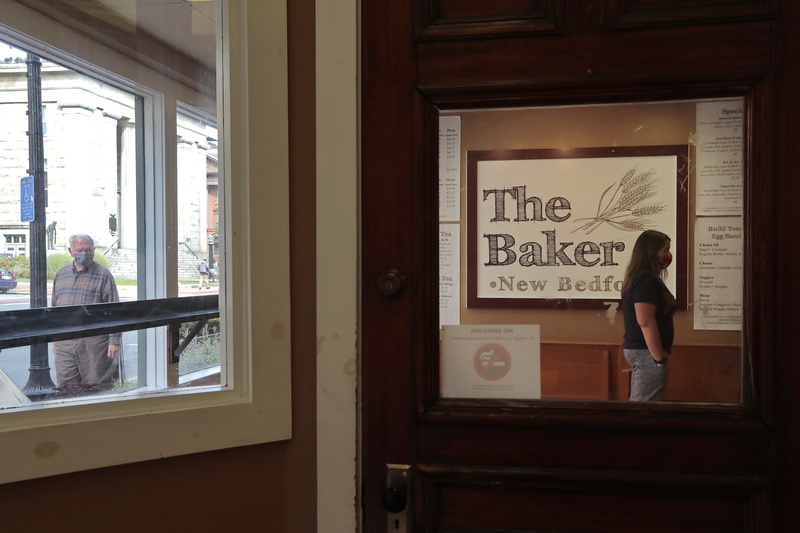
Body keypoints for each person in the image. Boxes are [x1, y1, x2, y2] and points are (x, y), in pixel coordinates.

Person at [51, 233, 121, 390]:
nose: (84, 254)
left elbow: (114, 309)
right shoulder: (61, 275)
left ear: (93, 250)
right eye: (80, 250)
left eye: (88, 250)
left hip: (94, 342)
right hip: (65, 341)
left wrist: (114, 340)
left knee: (96, 385)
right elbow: (55, 308)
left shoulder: (104, 275)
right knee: (66, 387)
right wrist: (55, 338)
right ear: (70, 251)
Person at [621, 230, 676, 401]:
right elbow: (645, 321)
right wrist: (658, 358)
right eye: (665, 250)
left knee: (647, 404)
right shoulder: (646, 280)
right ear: (651, 251)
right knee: (644, 406)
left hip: (646, 351)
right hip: (646, 351)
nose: (668, 255)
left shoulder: (647, 278)